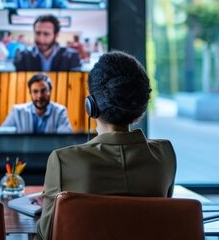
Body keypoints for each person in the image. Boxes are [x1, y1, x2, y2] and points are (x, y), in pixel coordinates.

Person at [36, 51, 176, 240]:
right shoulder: (165, 154)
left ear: (91, 105)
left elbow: (46, 236)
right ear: (140, 105)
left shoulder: (62, 161)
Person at [1, 74, 71, 134]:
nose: (39, 96)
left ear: (50, 91)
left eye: (43, 91)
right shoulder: (17, 111)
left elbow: (66, 138)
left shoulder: (60, 112)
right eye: (35, 91)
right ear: (30, 93)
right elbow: (2, 135)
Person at [14, 14, 81, 71]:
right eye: (38, 33)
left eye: (46, 34)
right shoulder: (23, 56)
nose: (41, 39)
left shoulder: (72, 57)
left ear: (56, 35)